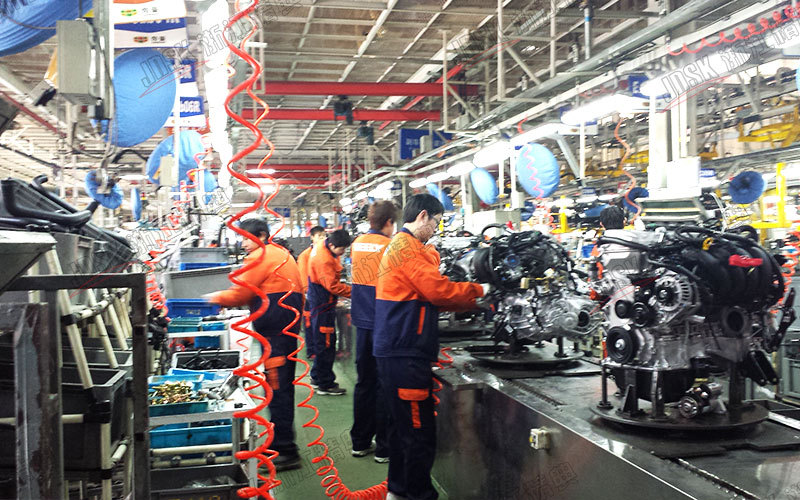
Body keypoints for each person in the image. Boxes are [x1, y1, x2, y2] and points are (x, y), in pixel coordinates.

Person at [374, 194, 487, 500]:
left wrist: (469, 297)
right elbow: (437, 291)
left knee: (402, 430)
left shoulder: (403, 246)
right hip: (404, 352)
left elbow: (428, 291)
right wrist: (482, 292)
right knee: (418, 432)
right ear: (423, 216)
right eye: (436, 222)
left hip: (398, 349)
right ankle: (418, 495)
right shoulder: (407, 248)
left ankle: (398, 491)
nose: (437, 229)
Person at [204, 218, 304, 471]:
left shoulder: (261, 256)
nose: (243, 244)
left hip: (276, 336)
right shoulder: (280, 253)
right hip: (283, 332)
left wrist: (212, 298)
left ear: (261, 235)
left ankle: (286, 450)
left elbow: (241, 293)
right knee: (281, 388)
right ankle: (281, 443)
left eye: (246, 238)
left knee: (278, 389)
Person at [349, 201, 398, 463]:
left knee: (364, 382)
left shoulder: (357, 243)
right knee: (383, 384)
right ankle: (384, 448)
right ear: (389, 222)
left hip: (362, 323)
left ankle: (359, 442)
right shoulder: (391, 246)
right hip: (384, 324)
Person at [307, 229, 352, 395]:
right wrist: (355, 292)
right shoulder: (324, 259)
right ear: (332, 245)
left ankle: (316, 377)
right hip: (322, 306)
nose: (343, 253)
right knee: (326, 344)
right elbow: (332, 286)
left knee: (322, 341)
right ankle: (325, 384)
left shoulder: (322, 246)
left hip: (319, 302)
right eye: (341, 249)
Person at [297, 226, 327, 358]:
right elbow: (303, 275)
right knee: (310, 323)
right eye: (319, 236)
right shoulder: (305, 255)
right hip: (310, 295)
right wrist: (307, 293)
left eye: (324, 236)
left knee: (321, 324)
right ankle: (312, 351)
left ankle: (321, 349)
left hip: (323, 294)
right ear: (312, 237)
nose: (322, 239)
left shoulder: (326, 253)